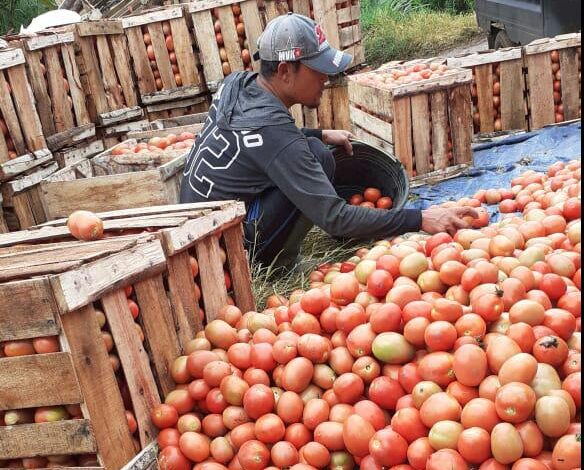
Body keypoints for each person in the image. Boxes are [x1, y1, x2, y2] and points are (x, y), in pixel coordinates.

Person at [180, 13, 477, 269]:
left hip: (199, 225)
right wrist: (419, 218)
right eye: (317, 70)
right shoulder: (275, 133)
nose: (326, 78)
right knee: (316, 158)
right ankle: (276, 265)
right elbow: (334, 218)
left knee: (315, 150)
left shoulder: (236, 84)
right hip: (225, 251)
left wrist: (319, 133)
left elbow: (257, 141)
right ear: (285, 71)